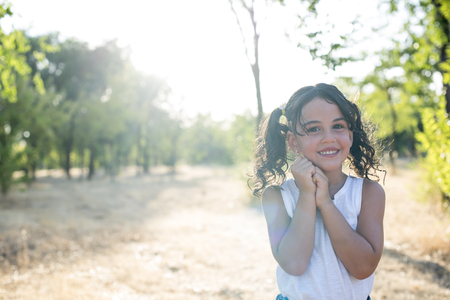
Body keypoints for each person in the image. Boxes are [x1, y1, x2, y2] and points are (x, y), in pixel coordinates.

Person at [251, 83, 385, 300]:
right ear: (294, 142)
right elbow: (294, 264)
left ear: (350, 136)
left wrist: (326, 204)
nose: (329, 138)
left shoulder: (369, 193)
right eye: (314, 129)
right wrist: (306, 196)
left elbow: (363, 268)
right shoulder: (276, 197)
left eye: (338, 126)